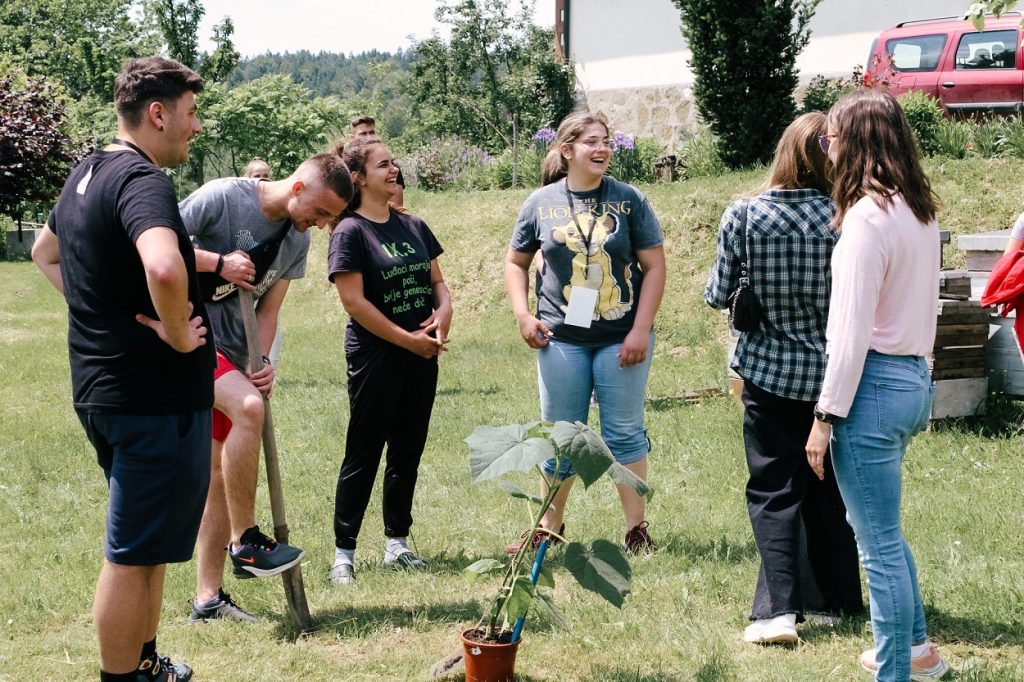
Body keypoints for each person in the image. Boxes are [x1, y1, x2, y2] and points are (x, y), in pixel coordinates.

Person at [31, 56, 211, 682]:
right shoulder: (143, 180)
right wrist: (176, 334)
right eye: (190, 115)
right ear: (157, 113)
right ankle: (121, 677)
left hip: (109, 394)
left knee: (151, 543)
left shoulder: (85, 172)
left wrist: (98, 314)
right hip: (151, 399)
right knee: (133, 553)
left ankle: (144, 663)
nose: (195, 128)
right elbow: (164, 267)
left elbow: (43, 251)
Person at [805, 89, 950, 681]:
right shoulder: (918, 211)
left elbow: (848, 334)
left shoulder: (865, 220)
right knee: (885, 532)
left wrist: (823, 418)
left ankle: (896, 672)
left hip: (873, 387)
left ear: (854, 142)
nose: (826, 147)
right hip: (914, 379)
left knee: (878, 547)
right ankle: (918, 652)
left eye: (830, 136)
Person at [705, 112, 863, 645]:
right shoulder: (846, 217)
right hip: (833, 375)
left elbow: (716, 292)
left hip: (767, 371)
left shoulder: (745, 214)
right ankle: (837, 601)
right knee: (830, 490)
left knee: (773, 488)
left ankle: (777, 612)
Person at [181, 153, 353, 621]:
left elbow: (270, 308)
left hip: (236, 353)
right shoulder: (223, 197)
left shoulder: (296, 241)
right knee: (249, 409)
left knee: (220, 477)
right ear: (298, 186)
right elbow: (154, 245)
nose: (320, 225)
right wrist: (218, 263)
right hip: (186, 336)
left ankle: (208, 599)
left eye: (329, 219)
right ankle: (247, 543)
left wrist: (262, 362)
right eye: (320, 212)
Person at [503, 111, 666, 555]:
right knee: (562, 436)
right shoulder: (540, 202)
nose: (602, 149)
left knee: (624, 433)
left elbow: (654, 268)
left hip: (621, 338)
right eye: (592, 142)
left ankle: (636, 531)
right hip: (561, 339)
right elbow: (516, 262)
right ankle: (548, 529)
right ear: (567, 150)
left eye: (607, 141)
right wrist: (523, 315)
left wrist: (641, 330)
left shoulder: (630, 200)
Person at [327, 134, 452, 585]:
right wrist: (406, 340)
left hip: (422, 353)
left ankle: (396, 543)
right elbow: (355, 303)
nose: (393, 170)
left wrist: (444, 311)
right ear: (358, 177)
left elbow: (436, 281)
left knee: (408, 448)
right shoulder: (349, 231)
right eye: (382, 165)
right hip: (377, 356)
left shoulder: (413, 225)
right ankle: (344, 553)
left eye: (392, 162)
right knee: (364, 452)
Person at [350, 115, 406, 212]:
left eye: (372, 133)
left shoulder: (392, 167)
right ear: (353, 137)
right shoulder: (346, 167)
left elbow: (397, 206)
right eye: (363, 134)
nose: (369, 137)